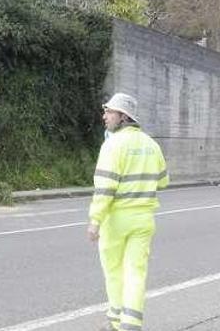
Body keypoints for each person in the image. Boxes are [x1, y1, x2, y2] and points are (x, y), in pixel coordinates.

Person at [88, 92, 169, 331]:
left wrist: (95, 220)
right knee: (136, 273)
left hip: (116, 220)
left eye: (109, 112)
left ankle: (114, 321)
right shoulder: (151, 144)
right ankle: (130, 325)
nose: (105, 116)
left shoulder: (113, 145)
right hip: (144, 219)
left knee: (114, 271)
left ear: (123, 116)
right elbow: (163, 181)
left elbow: (105, 187)